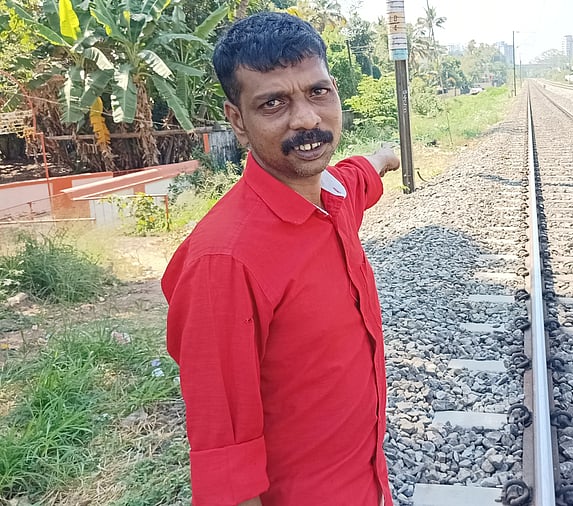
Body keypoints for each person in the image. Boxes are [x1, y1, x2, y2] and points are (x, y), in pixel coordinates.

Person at [161, 11, 399, 506]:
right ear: (237, 122)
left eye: (318, 92)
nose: (307, 119)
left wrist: (383, 157)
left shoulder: (331, 195)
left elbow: (358, 177)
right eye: (274, 103)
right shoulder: (225, 261)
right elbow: (225, 461)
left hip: (368, 483)